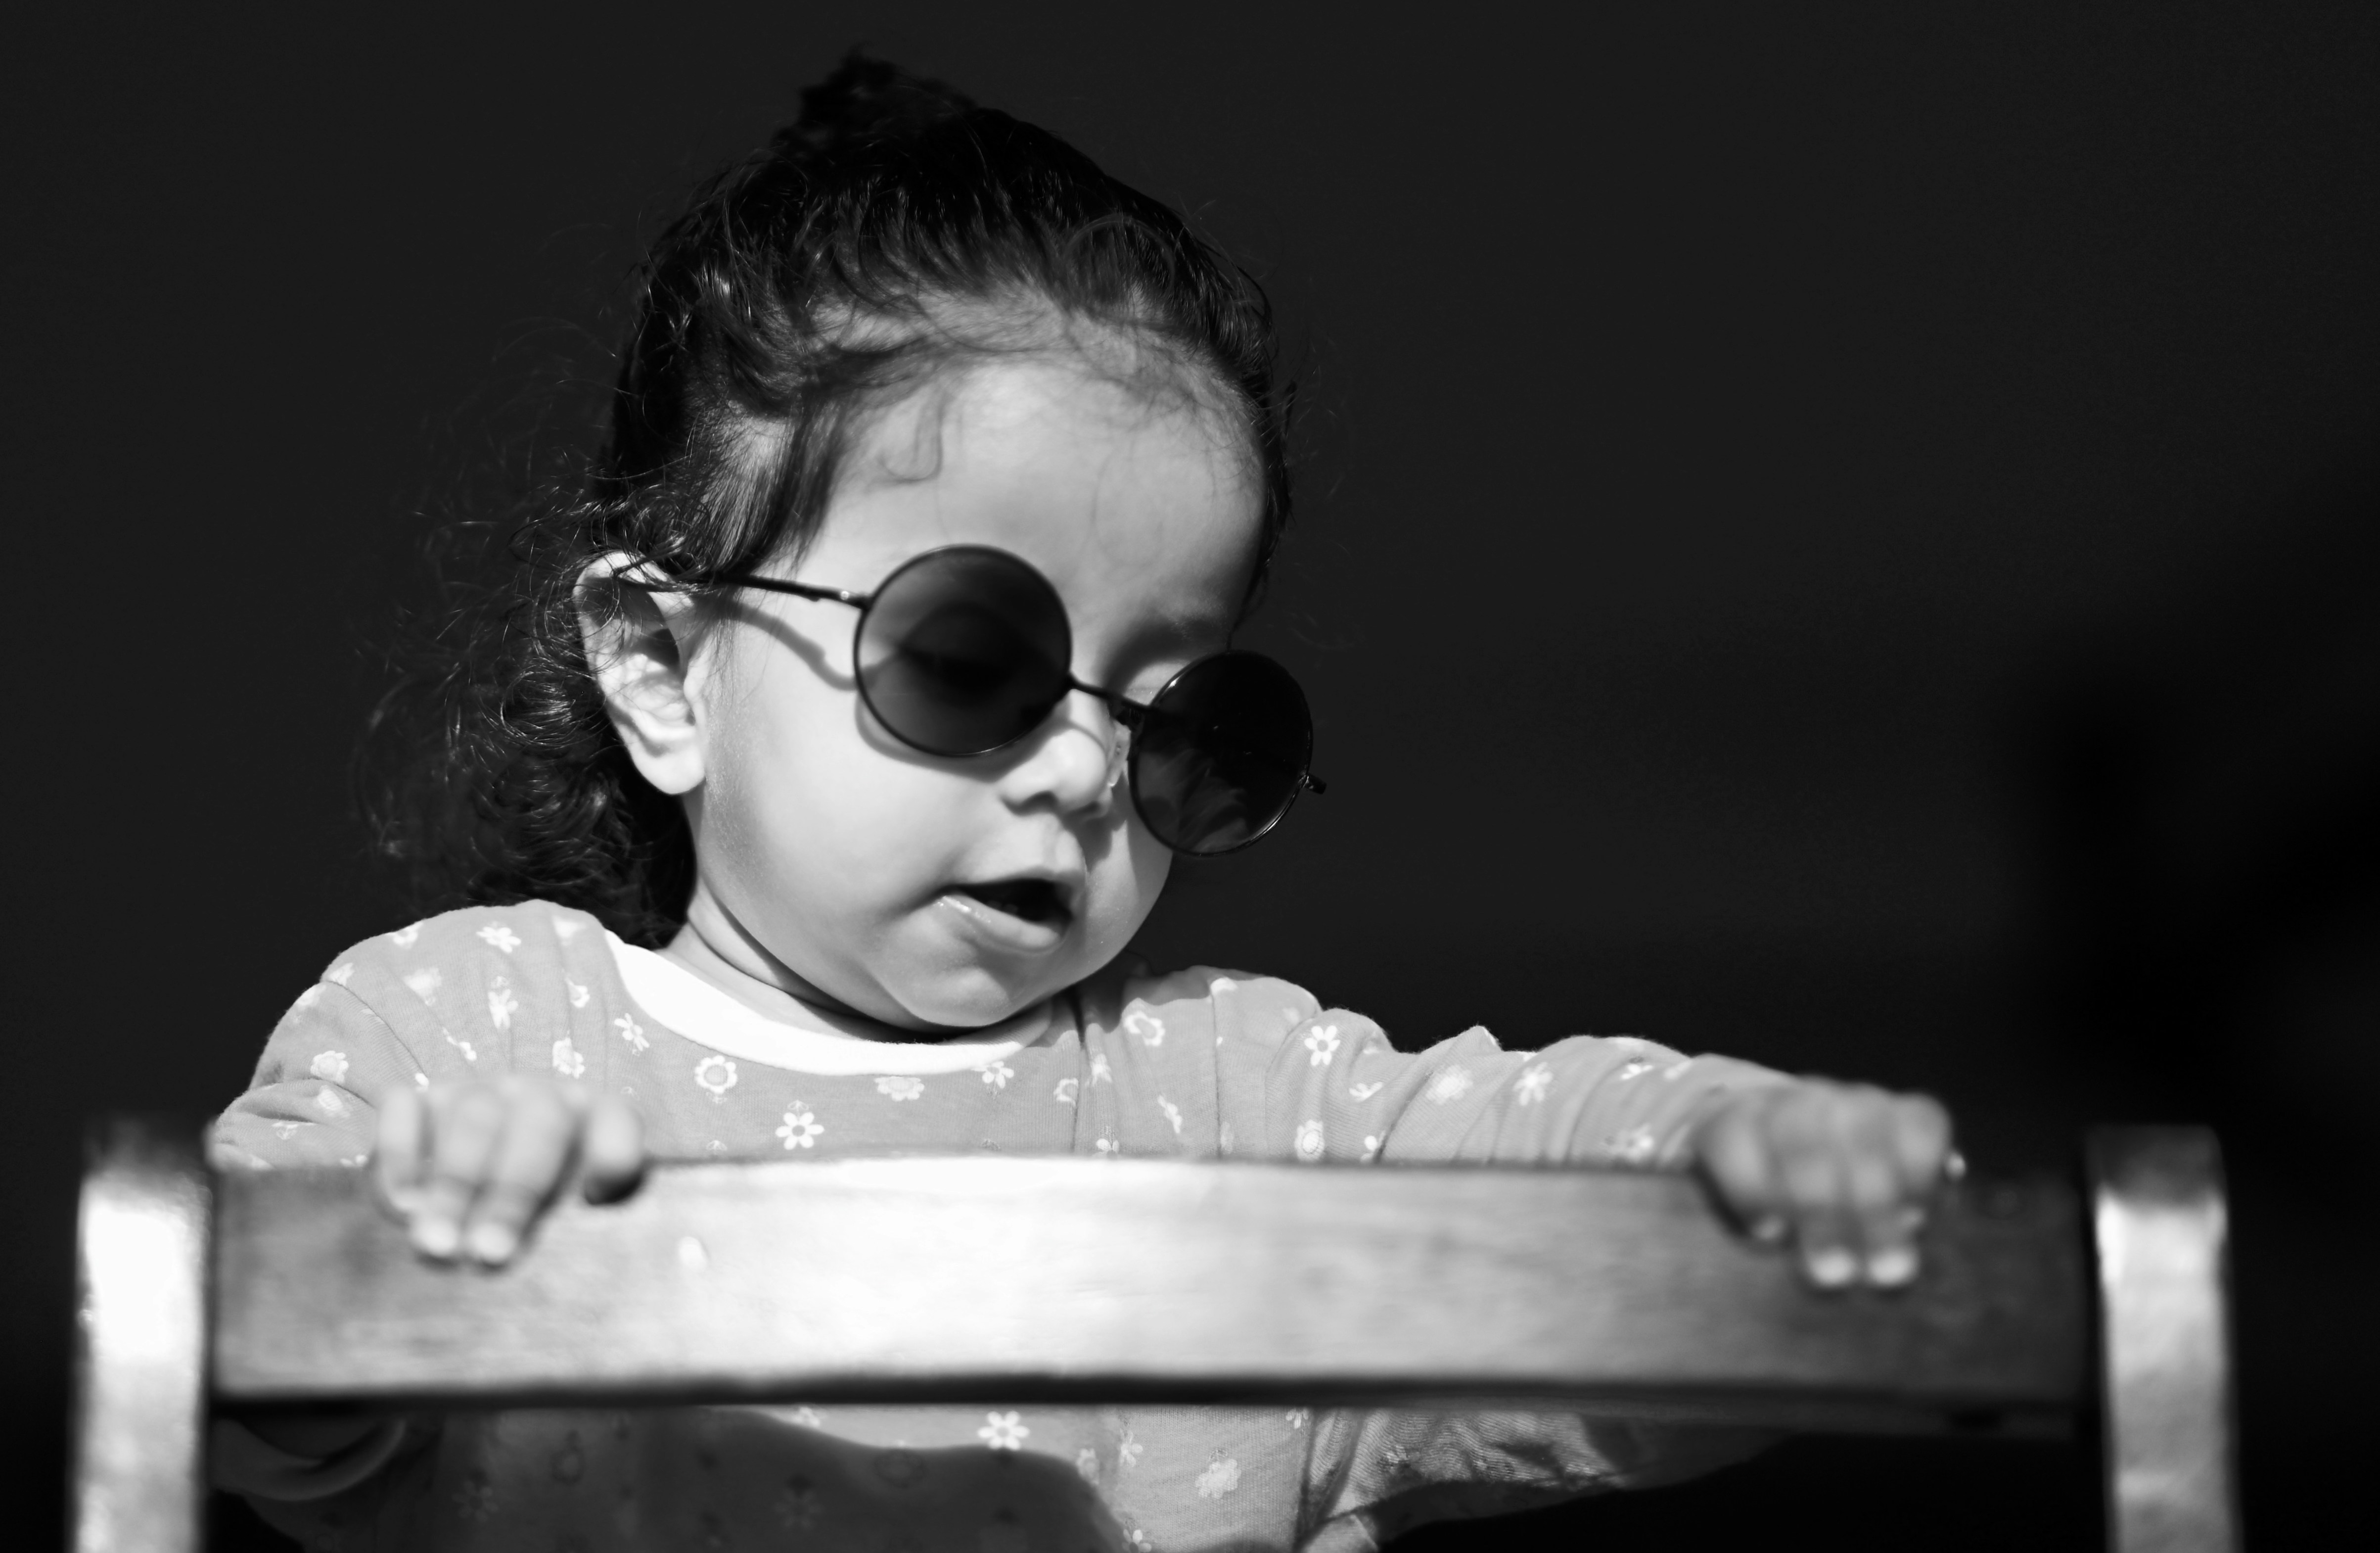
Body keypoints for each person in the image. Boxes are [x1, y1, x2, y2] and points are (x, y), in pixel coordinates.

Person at [211, 52, 1955, 1553]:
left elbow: (1549, 1174)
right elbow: (210, 1361)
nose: (1080, 767)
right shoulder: (471, 1036)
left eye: (1186, 714)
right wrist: (404, 1253)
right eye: (969, 658)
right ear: (664, 669)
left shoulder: (1226, 1101)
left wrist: (1749, 1165)